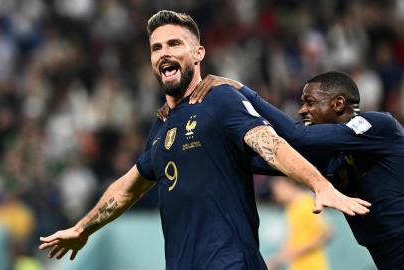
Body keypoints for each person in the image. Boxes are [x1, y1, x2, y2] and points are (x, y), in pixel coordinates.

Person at [39, 12, 370, 270]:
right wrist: (83, 228)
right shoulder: (162, 126)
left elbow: (270, 144)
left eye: (174, 44)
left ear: (198, 53)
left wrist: (317, 183)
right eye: (156, 47)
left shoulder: (219, 99)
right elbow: (127, 187)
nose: (164, 52)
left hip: (230, 262)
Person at [188, 71, 404, 269]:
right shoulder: (328, 155)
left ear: (338, 104)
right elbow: (256, 160)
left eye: (309, 103)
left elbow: (297, 136)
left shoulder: (378, 126)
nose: (302, 110)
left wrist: (244, 92)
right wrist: (193, 136)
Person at [266, 176, 332, 270]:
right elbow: (294, 240)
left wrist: (298, 251)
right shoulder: (290, 208)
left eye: (277, 189)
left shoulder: (306, 202)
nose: (275, 195)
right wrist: (277, 259)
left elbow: (326, 233)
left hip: (313, 266)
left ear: (289, 183)